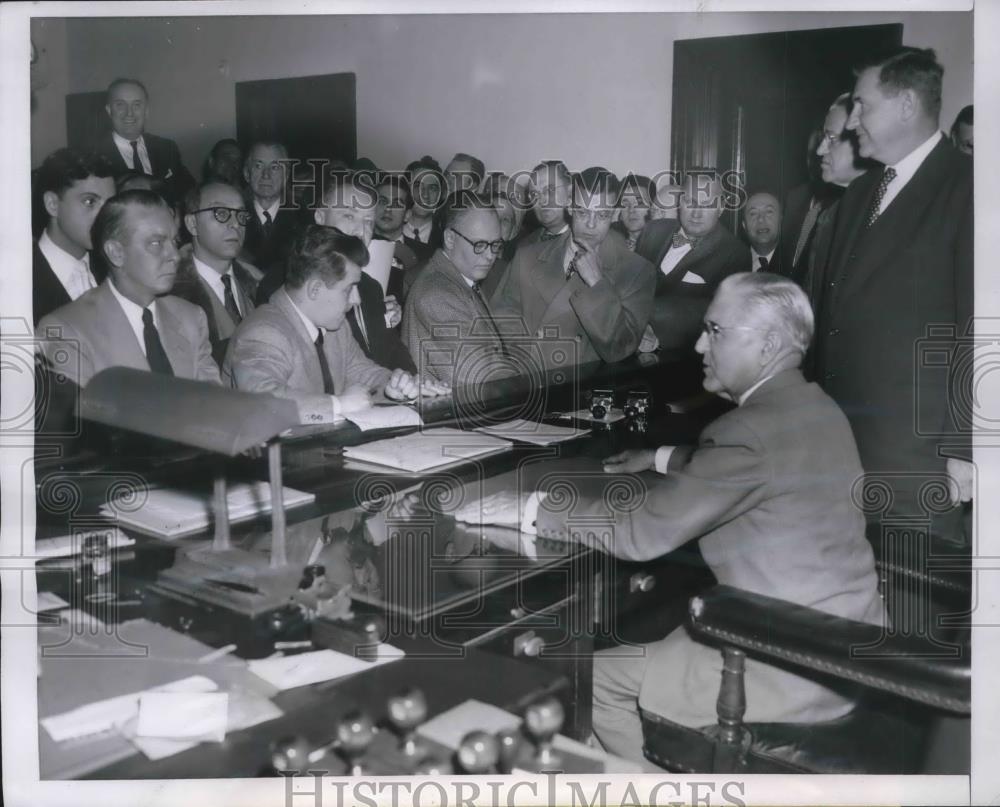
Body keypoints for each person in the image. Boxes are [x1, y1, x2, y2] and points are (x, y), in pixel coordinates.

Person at [455, 272, 884, 766]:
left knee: (584, 680)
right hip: (842, 644)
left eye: (716, 331)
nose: (700, 344)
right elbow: (762, 469)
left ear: (766, 345)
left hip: (781, 660)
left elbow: (642, 533)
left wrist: (532, 507)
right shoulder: (814, 406)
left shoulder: (748, 431)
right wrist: (659, 457)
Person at [812, 46, 973, 521]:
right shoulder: (861, 192)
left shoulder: (971, 187)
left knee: (912, 589)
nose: (851, 119)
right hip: (839, 448)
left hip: (918, 458)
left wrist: (965, 446)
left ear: (906, 105)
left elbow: (982, 325)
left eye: (863, 105)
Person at [224, 226, 447, 425]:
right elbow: (261, 404)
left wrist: (393, 386)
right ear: (315, 290)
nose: (356, 300)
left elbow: (362, 371)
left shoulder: (334, 327)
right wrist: (337, 406)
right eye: (348, 289)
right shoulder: (264, 331)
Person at [36, 189, 220, 388]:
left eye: (174, 241)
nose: (174, 255)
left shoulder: (191, 318)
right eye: (156, 243)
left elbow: (214, 408)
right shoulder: (66, 331)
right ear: (116, 253)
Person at [492, 167, 655, 369]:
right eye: (583, 212)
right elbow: (503, 315)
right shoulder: (527, 256)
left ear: (614, 215)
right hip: (527, 379)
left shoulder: (637, 272)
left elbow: (619, 349)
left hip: (581, 390)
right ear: (569, 206)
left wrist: (597, 284)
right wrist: (527, 361)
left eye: (602, 215)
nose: (591, 225)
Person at [311, 173, 416, 373]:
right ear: (320, 217)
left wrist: (412, 381)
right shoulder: (295, 283)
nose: (361, 231)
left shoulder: (371, 286)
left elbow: (393, 351)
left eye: (368, 221)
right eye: (349, 216)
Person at [402, 196, 511, 386]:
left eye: (495, 244)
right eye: (480, 245)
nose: (490, 256)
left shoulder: (459, 279)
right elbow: (476, 376)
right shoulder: (438, 294)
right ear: (450, 239)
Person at [635, 172, 748, 351]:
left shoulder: (735, 254)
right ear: (680, 202)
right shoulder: (652, 231)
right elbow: (631, 285)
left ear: (721, 207)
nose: (696, 213)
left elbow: (714, 314)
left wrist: (648, 323)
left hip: (683, 360)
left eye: (707, 204)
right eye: (690, 202)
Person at [172, 181, 261, 367]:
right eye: (221, 213)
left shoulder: (259, 284)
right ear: (192, 224)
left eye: (241, 215)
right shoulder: (171, 295)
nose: (235, 224)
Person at [800, 93, 875, 306]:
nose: (820, 149)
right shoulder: (829, 216)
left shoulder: (888, 212)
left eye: (831, 139)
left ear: (862, 137)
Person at [32, 148, 116, 324]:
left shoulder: (116, 269)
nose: (104, 216)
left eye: (109, 204)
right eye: (89, 202)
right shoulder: (18, 281)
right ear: (53, 204)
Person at [92, 78, 195, 204]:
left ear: (146, 111)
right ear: (109, 110)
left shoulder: (167, 148)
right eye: (120, 105)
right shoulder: (93, 155)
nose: (129, 113)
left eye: (136, 105)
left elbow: (190, 193)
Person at [242, 141, 306, 290]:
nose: (266, 174)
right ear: (246, 173)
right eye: (258, 166)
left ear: (286, 174)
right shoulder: (231, 216)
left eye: (275, 167)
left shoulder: (305, 217)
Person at [520, 160, 572, 248]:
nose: (542, 201)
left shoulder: (588, 240)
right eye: (534, 194)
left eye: (549, 190)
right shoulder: (525, 246)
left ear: (569, 193)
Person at [403, 156, 445, 261]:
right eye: (417, 186)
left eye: (432, 188)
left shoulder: (445, 242)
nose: (425, 195)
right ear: (406, 189)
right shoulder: (390, 229)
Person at [741, 192, 783, 273]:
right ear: (744, 225)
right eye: (753, 213)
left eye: (769, 212)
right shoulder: (731, 267)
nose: (761, 219)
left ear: (781, 220)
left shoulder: (797, 265)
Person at [615, 174, 655, 251]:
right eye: (625, 204)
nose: (631, 210)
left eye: (639, 203)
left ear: (652, 207)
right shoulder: (611, 242)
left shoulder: (664, 245)